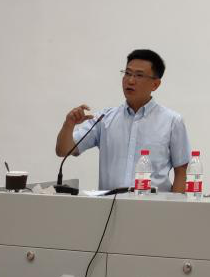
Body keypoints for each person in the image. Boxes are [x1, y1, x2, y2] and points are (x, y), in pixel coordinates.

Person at [55, 49, 191, 192]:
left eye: (139, 75)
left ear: (155, 84)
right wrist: (68, 125)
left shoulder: (172, 121)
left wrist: (174, 205)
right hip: (110, 205)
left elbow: (181, 172)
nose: (130, 80)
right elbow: (63, 150)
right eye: (127, 73)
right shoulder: (104, 119)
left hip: (153, 204)